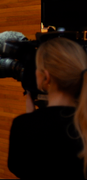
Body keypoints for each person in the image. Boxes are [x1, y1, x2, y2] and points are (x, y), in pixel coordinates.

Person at [7, 37, 87, 179]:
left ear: (47, 77)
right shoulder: (83, 122)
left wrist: (30, 118)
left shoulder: (24, 125)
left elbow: (18, 168)